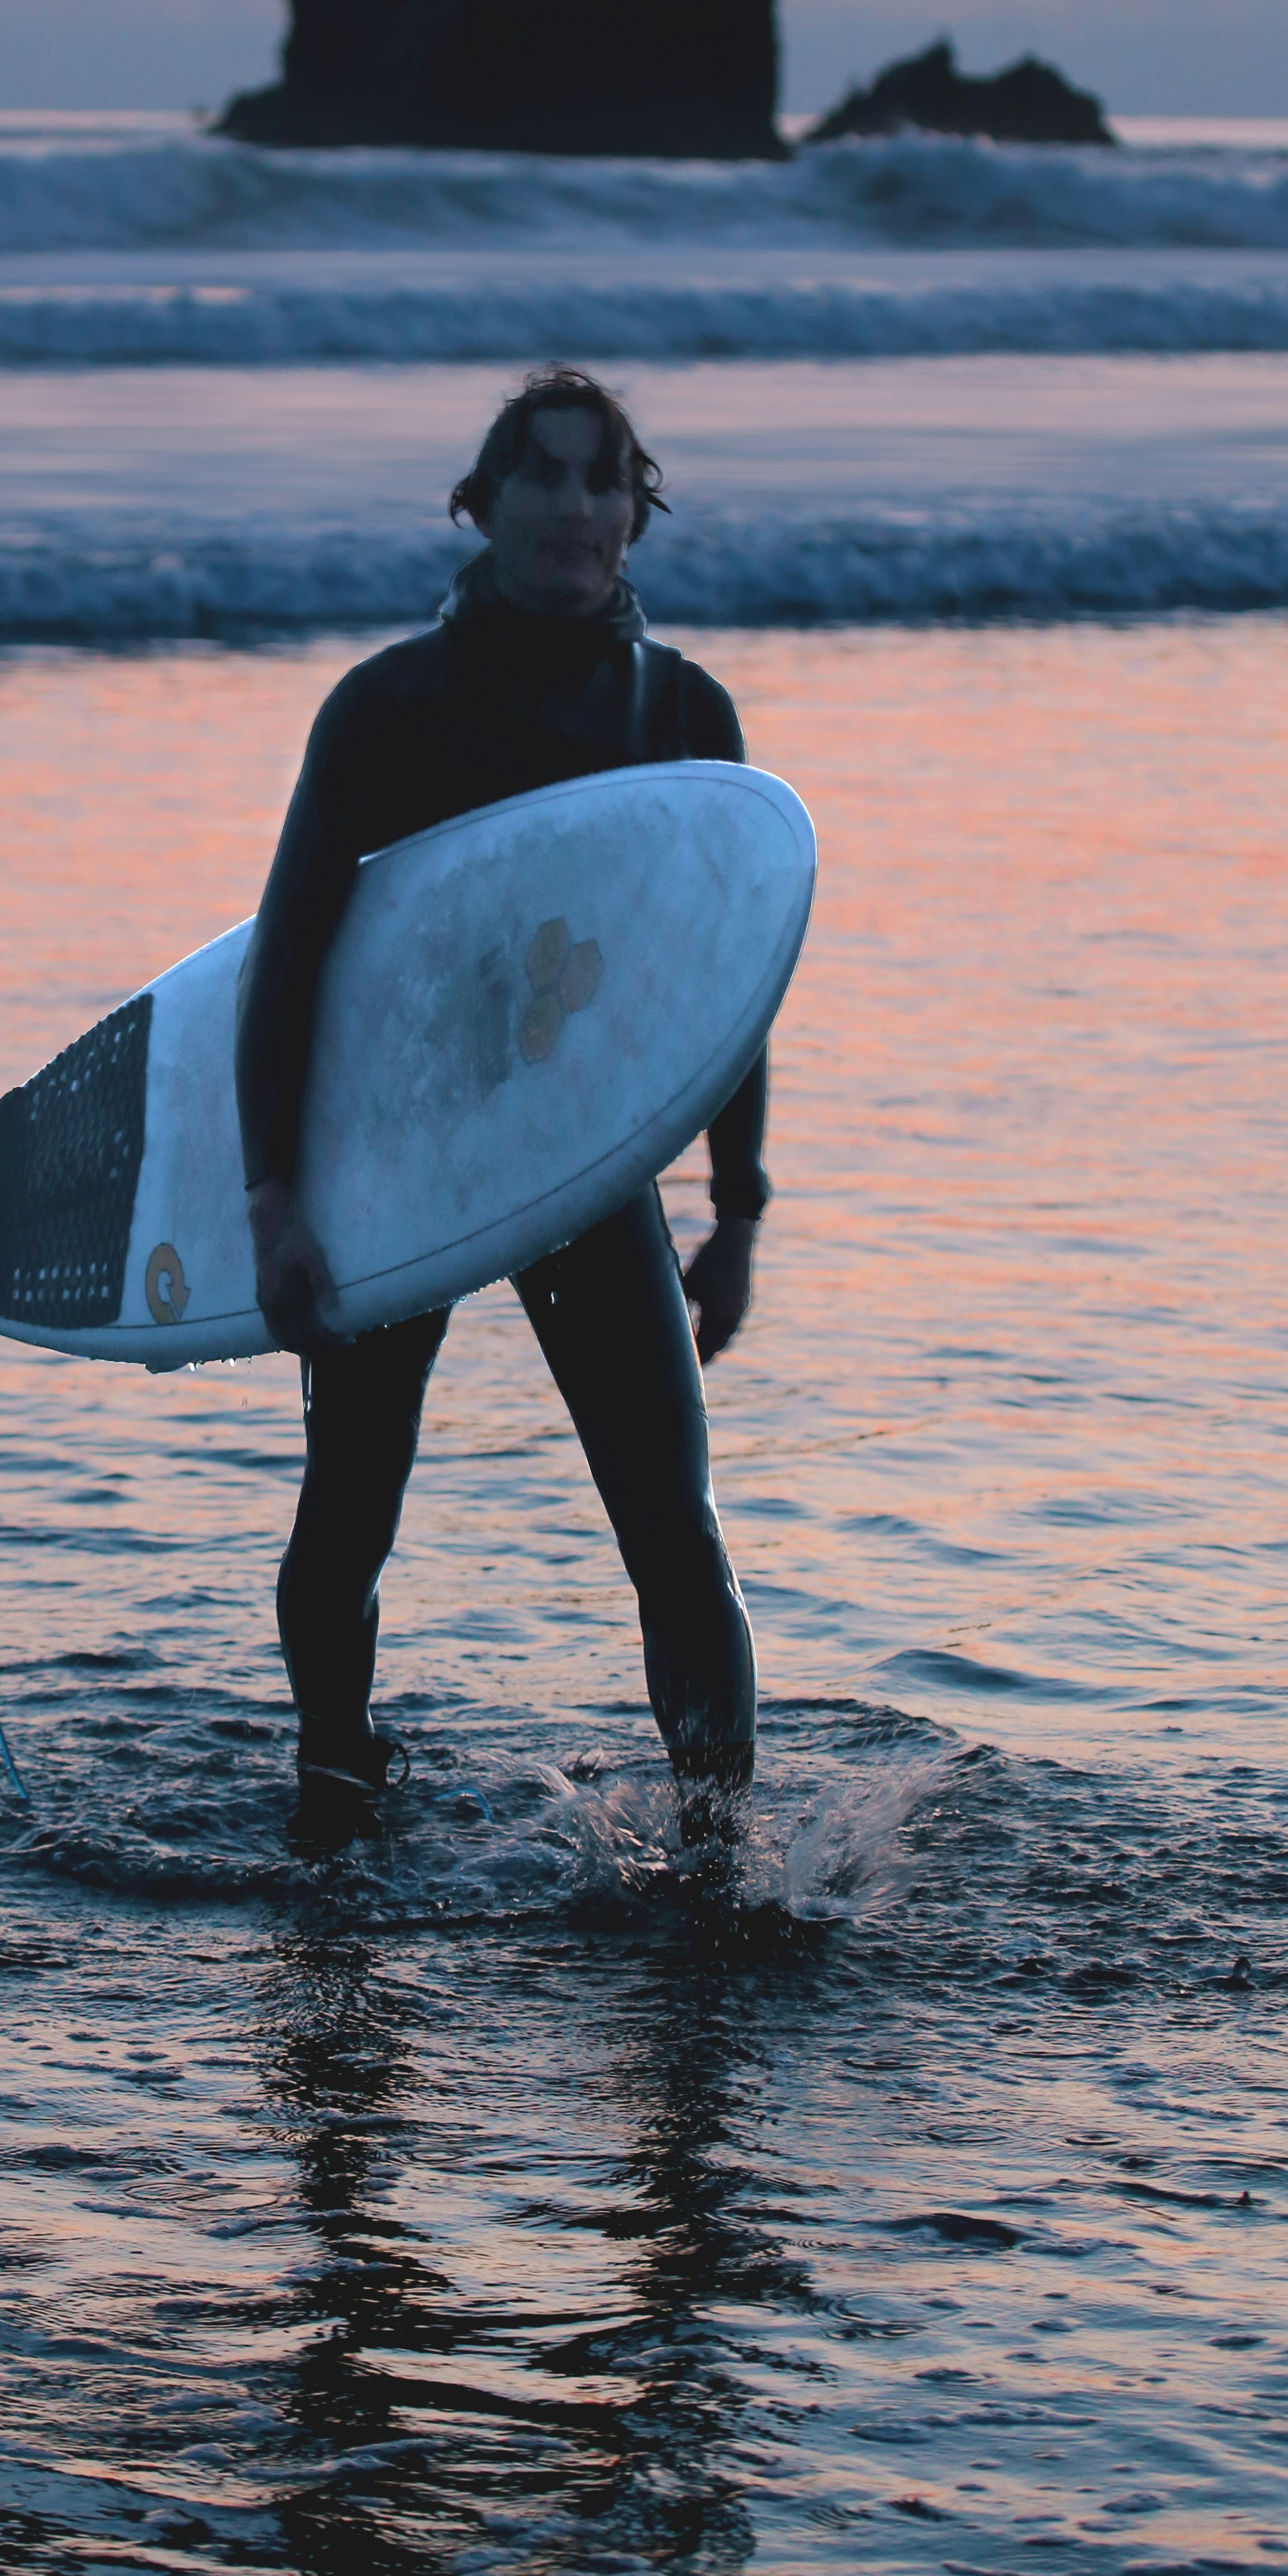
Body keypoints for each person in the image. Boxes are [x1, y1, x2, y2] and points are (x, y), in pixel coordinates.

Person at [237, 367, 770, 1847]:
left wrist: (736, 1210)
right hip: (395, 1159)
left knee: (675, 1531)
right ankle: (335, 1775)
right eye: (540, 475)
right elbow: (288, 961)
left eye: (602, 478)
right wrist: (275, 1199)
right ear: (486, 504)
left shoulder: (684, 714)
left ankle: (720, 1849)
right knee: (347, 1513)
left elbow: (730, 984)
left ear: (632, 511)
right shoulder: (388, 710)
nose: (574, 506)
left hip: (586, 1171)